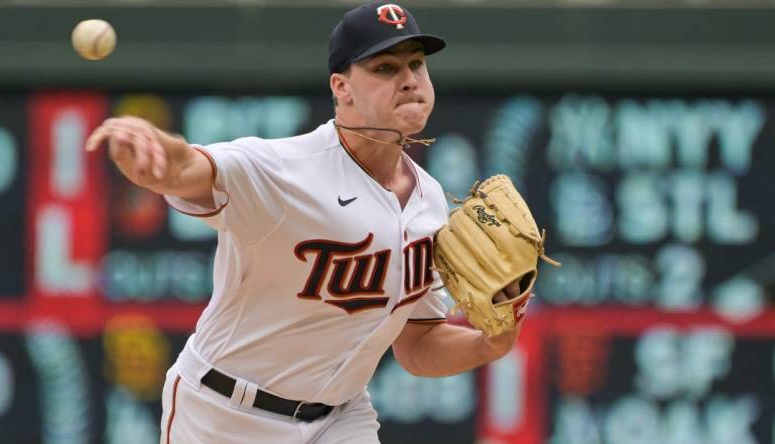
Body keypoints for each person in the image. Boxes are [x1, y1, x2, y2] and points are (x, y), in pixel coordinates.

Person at [86, 2, 525, 443]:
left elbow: (417, 345)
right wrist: (156, 149)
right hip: (223, 415)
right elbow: (187, 169)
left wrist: (488, 344)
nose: (409, 79)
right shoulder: (287, 171)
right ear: (342, 87)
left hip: (339, 419)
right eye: (385, 67)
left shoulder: (430, 204)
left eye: (416, 64)